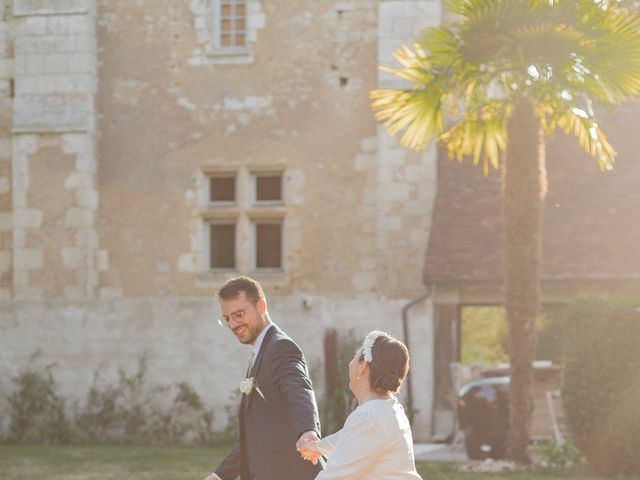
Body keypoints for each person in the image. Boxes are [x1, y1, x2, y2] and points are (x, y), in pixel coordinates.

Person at [204, 276, 323, 480]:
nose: (233, 324)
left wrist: (308, 430)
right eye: (227, 318)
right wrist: (218, 476)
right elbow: (255, 437)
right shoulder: (260, 353)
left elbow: (299, 389)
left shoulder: (281, 347)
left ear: (261, 305)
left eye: (239, 315)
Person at [297, 330, 423, 480]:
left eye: (354, 358)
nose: (350, 364)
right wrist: (317, 447)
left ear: (363, 366)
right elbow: (347, 438)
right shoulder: (388, 409)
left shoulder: (370, 417)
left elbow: (334, 476)